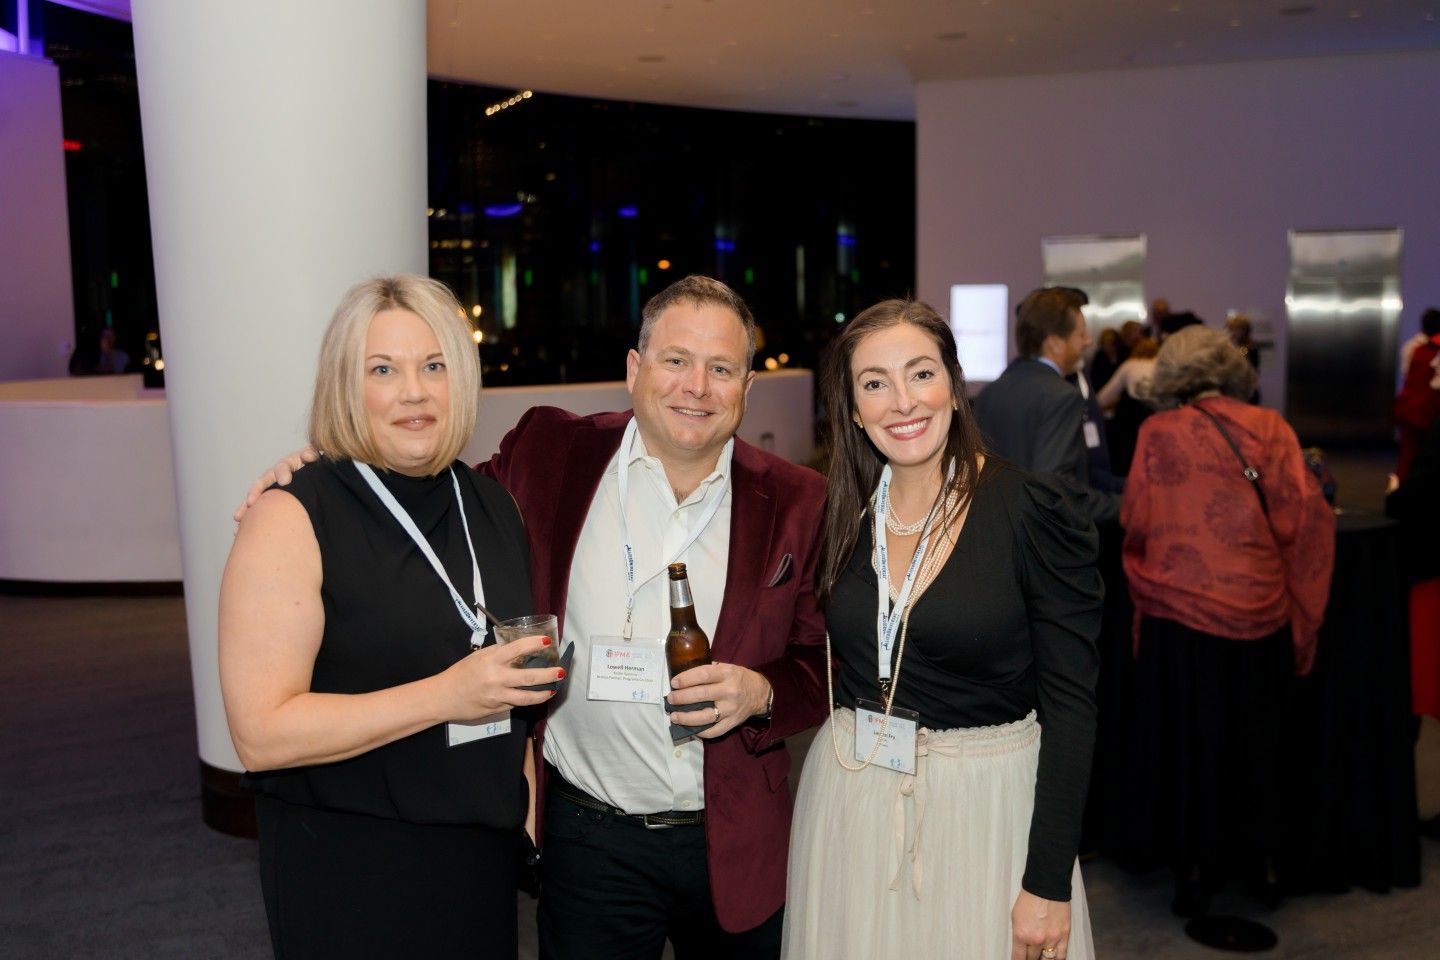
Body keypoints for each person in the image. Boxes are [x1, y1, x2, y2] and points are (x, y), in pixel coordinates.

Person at [241, 274, 828, 959]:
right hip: (587, 837)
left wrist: (764, 693)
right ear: (635, 370)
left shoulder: (797, 499)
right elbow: (431, 501)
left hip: (733, 837)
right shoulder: (550, 453)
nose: (696, 386)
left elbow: (823, 659)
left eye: (721, 368)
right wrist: (327, 464)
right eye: (676, 361)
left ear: (746, 387)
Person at [219, 275, 563, 959]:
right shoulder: (293, 515)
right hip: (350, 866)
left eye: (434, 366)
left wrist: (524, 821)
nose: (414, 391)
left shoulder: (493, 507)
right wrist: (446, 696)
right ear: (347, 385)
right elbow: (259, 733)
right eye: (384, 370)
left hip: (477, 866)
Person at [782, 299, 1101, 960]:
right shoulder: (841, 514)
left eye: (920, 374)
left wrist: (1047, 883)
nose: (902, 401)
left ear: (954, 387)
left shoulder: (1030, 509)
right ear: (851, 408)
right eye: (875, 383)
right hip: (852, 797)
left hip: (985, 812)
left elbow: (1072, 708)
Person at [1118, 325, 1335, 916]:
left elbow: (1135, 518)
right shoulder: (1270, 428)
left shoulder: (1157, 431)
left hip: (1176, 615)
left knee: (1191, 743)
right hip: (1258, 612)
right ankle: (1264, 868)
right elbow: (1304, 521)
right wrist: (1302, 610)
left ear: (1170, 376)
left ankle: (1192, 873)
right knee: (1259, 741)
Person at [974, 286, 1121, 523]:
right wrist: (1124, 508)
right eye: (1080, 334)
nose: (1088, 341)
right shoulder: (1062, 396)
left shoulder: (990, 392)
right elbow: (1054, 494)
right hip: (1046, 548)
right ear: (1054, 344)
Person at [1096, 336, 1159, 476]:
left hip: (1131, 425)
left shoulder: (1129, 365)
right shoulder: (1161, 365)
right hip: (1156, 419)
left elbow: (1104, 397)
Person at [1394, 307, 1440, 482]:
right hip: (1424, 409)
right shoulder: (1426, 349)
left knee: (1409, 457)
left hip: (1411, 407)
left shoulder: (1415, 348)